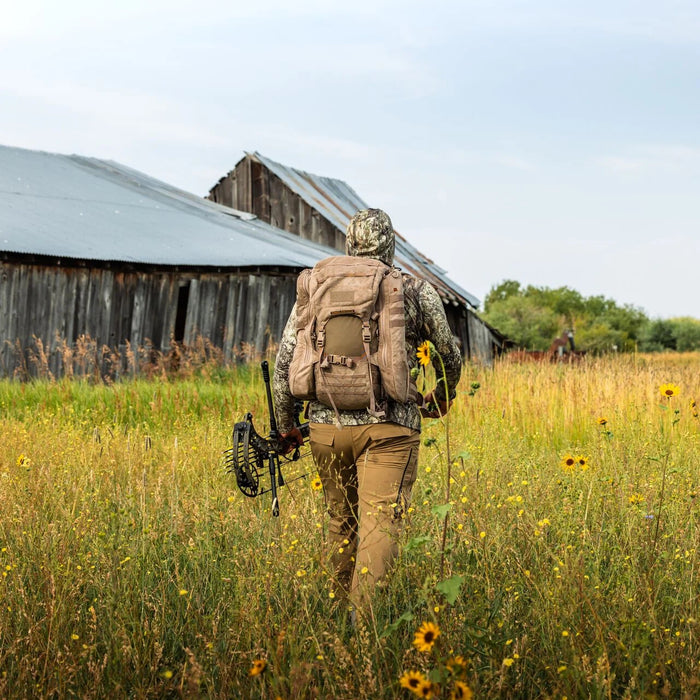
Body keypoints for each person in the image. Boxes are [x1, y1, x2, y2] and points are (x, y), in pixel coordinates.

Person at [272, 208, 462, 611]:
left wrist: (288, 424)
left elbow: (284, 366)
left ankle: (337, 624)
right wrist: (443, 394)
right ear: (390, 243)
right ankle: (366, 639)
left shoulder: (315, 287)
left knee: (341, 523)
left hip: (325, 428)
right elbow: (449, 354)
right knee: (380, 525)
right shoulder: (414, 290)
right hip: (391, 430)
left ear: (349, 242)